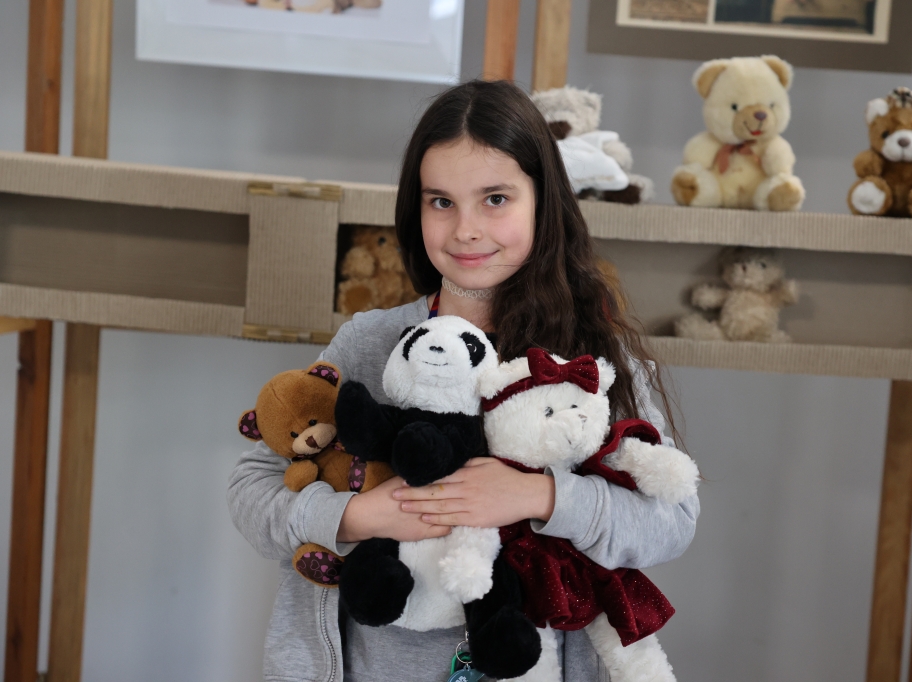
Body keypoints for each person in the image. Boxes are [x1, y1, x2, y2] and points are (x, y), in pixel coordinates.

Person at [228, 79, 700, 682]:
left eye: (495, 199)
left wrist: (540, 496)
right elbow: (252, 490)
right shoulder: (369, 343)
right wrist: (359, 516)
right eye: (441, 202)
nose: (466, 229)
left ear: (544, 203)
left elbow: (672, 520)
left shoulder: (590, 359)